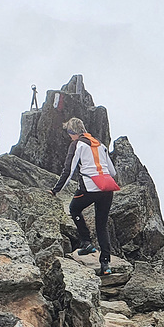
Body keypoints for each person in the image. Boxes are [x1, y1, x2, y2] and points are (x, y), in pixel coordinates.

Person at [50, 117, 119, 275]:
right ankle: (105, 265)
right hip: (107, 189)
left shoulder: (77, 144)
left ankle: (87, 242)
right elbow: (112, 172)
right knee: (101, 225)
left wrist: (55, 190)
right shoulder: (100, 145)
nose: (69, 136)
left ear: (72, 132)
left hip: (89, 188)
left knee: (74, 209)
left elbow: (68, 170)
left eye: (69, 133)